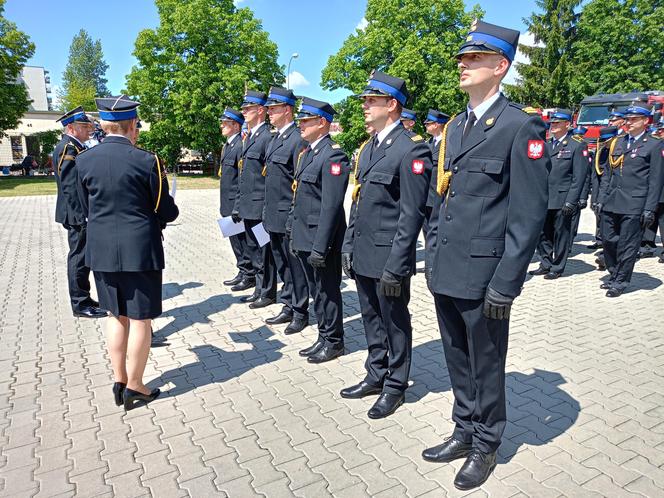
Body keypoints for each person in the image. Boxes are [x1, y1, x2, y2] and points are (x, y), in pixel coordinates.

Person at [422, 20, 550, 490]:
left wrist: (507, 282)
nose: (463, 64)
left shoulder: (520, 126)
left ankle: (486, 444)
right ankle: (463, 428)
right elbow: (441, 199)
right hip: (447, 269)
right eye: (462, 58)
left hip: (486, 275)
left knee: (487, 363)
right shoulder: (455, 127)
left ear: (500, 67)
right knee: (456, 357)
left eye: (474, 58)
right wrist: (432, 250)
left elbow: (529, 213)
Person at [76, 95, 179, 410]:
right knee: (140, 319)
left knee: (115, 315)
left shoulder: (83, 160)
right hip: (140, 251)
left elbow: (82, 208)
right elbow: (166, 210)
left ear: (104, 126)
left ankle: (119, 379)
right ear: (133, 125)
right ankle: (136, 386)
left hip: (102, 250)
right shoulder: (147, 160)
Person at [340, 70, 432, 419]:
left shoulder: (411, 150)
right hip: (364, 251)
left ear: (392, 105)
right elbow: (358, 202)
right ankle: (376, 373)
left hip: (389, 257)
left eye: (371, 100)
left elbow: (412, 214)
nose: (365, 106)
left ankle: (396, 385)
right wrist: (349, 244)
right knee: (370, 316)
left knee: (394, 321)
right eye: (365, 100)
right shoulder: (368, 148)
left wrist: (399, 263)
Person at [289, 97, 350, 363]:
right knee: (316, 292)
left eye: (306, 121)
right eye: (300, 120)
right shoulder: (308, 153)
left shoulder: (333, 154)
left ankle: (334, 341)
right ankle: (323, 336)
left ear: (322, 122)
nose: (300, 125)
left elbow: (331, 206)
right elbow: (299, 198)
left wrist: (321, 246)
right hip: (304, 236)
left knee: (327, 291)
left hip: (320, 240)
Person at [596, 104, 664, 297]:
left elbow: (656, 181)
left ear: (645, 121)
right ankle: (614, 272)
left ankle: (620, 281)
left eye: (634, 119)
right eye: (627, 119)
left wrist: (650, 209)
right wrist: (601, 198)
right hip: (611, 201)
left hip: (635, 203)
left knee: (627, 244)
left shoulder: (654, 144)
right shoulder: (617, 142)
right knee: (608, 240)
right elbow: (607, 174)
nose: (629, 122)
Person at [263, 87, 310, 334]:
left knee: (295, 268)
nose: (269, 112)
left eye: (274, 108)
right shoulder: (275, 138)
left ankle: (300, 311)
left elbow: (298, 183)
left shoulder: (297, 140)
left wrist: (293, 215)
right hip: (272, 215)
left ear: (287, 110)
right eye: (269, 108)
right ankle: (288, 304)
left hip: (287, 216)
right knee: (283, 265)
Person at [53, 107, 107, 319]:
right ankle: (80, 303)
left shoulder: (76, 146)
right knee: (78, 258)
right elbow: (70, 186)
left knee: (83, 257)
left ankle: (84, 297)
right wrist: (81, 214)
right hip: (76, 214)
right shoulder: (68, 147)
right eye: (84, 126)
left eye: (88, 126)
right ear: (70, 128)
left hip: (78, 212)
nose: (89, 130)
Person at [529, 109, 588, 279]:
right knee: (542, 233)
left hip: (563, 198)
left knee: (561, 234)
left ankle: (557, 266)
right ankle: (545, 263)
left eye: (557, 123)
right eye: (552, 123)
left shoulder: (576, 145)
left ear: (568, 125)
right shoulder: (545, 144)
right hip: (544, 198)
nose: (552, 125)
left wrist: (572, 201)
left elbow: (579, 177)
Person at [232, 90, 278, 307]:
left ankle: (267, 292)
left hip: (260, 207)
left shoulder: (267, 136)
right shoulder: (249, 137)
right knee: (254, 249)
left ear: (260, 111)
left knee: (264, 252)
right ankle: (259, 288)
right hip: (248, 207)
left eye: (248, 108)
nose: (244, 112)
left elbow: (269, 176)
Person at [218, 108, 253, 288]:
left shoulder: (240, 145)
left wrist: (238, 205)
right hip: (227, 201)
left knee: (242, 239)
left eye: (225, 123)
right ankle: (242, 269)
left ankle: (249, 273)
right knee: (235, 240)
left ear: (235, 125)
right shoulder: (228, 145)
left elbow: (242, 177)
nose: (222, 126)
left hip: (235, 203)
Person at [422, 109, 450, 271]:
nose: (425, 125)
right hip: (426, 195)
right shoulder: (429, 144)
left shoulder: (446, 144)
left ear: (438, 124)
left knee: (438, 230)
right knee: (427, 230)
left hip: (438, 194)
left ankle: (439, 261)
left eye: (429, 123)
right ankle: (430, 259)